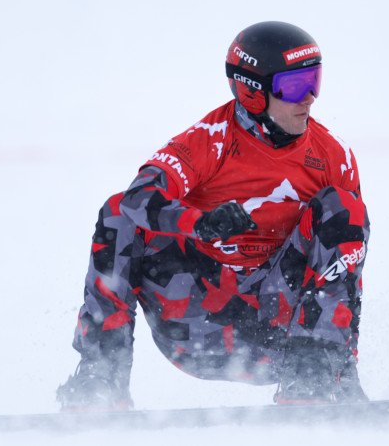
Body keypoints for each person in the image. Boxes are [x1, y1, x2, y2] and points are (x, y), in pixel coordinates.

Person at [57, 21, 370, 410]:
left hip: (278, 333)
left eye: (314, 81)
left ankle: (317, 380)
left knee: (345, 208)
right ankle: (100, 381)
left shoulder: (332, 156)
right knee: (119, 213)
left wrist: (347, 371)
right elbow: (139, 198)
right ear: (252, 92)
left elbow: (345, 273)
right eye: (293, 86)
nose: (308, 98)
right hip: (196, 325)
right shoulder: (210, 139)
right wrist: (197, 224)